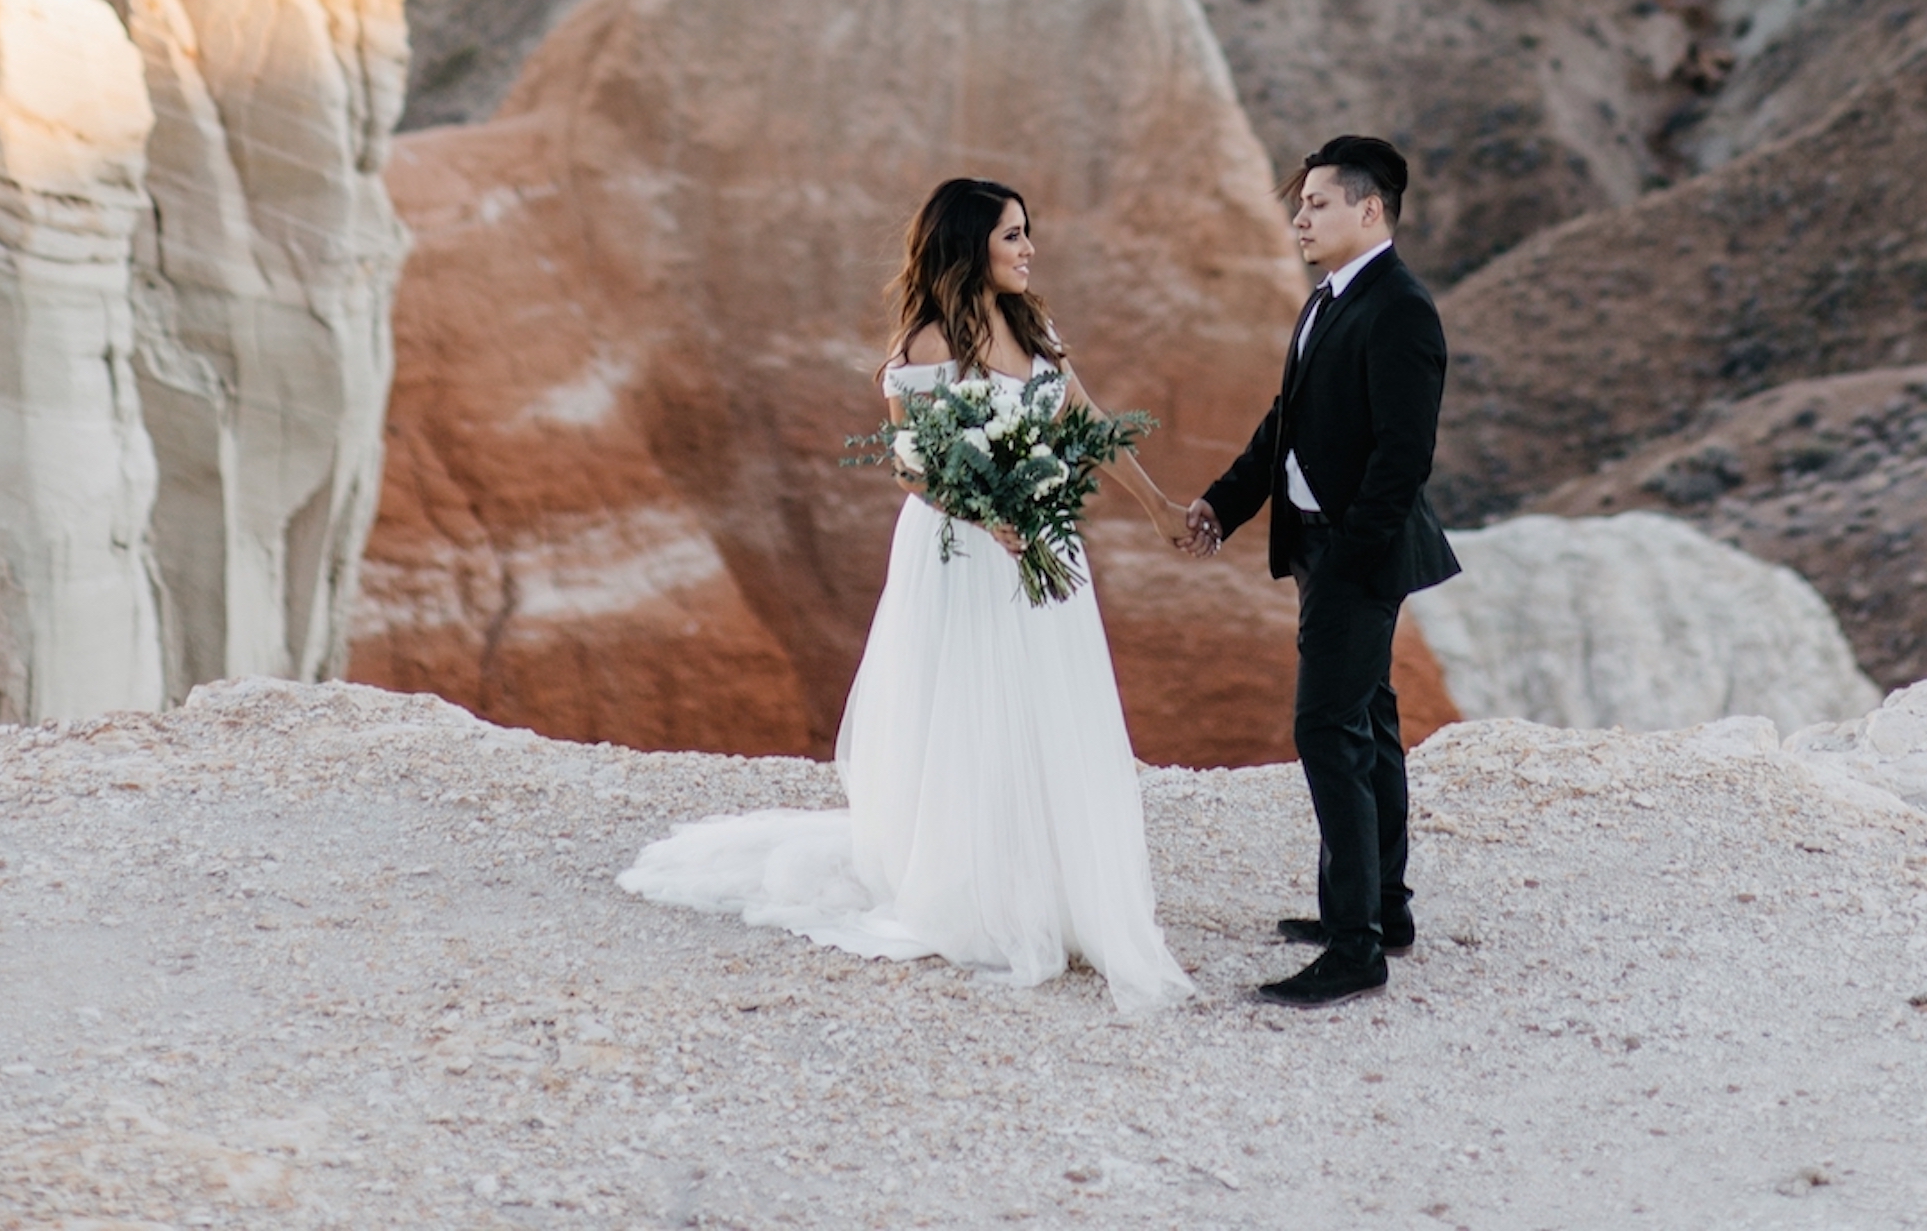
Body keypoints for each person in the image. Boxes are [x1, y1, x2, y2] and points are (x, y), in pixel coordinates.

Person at [619, 176, 1191, 1016]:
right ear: (971, 247)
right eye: (1012, 236)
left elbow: (1089, 424)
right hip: (964, 548)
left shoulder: (1036, 329)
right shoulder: (924, 348)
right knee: (971, 709)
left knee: (1046, 709)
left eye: (1027, 234)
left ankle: (1057, 886)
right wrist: (988, 511)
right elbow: (911, 468)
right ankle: (975, 890)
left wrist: (1159, 509)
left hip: (1042, 543)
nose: (1029, 249)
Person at [1180, 134, 1459, 1005]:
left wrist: (1349, 565)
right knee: (1367, 721)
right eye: (1301, 205)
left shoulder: (1400, 308)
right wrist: (1223, 507)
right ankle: (1383, 907)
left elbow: (1404, 458)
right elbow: (1285, 425)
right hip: (1313, 542)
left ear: (1369, 209)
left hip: (1355, 552)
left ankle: (1353, 948)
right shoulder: (1327, 302)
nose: (1301, 217)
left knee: (1326, 730)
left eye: (1318, 203)